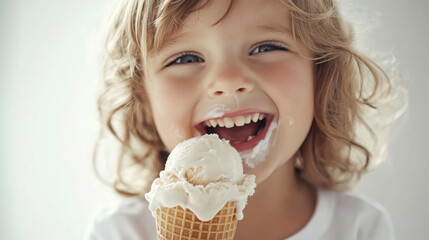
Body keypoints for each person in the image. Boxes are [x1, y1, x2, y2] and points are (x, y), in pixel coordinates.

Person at [85, 0, 405, 239]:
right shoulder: (118, 233)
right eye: (185, 58)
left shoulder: (361, 228)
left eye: (266, 47)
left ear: (320, 75)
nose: (226, 80)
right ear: (142, 98)